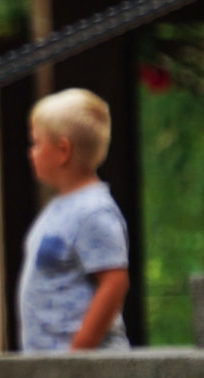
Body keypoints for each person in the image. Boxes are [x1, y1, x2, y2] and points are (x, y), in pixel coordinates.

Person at [19, 88, 129, 351]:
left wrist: (78, 353)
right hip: (54, 373)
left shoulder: (93, 211)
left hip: (86, 375)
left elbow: (114, 282)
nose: (31, 152)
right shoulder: (60, 207)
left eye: (37, 143)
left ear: (63, 150)